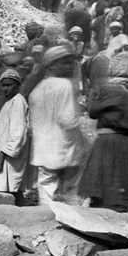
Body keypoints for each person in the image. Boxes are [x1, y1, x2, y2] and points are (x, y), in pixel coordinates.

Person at [79, 72, 128, 212]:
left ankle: (99, 207)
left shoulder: (104, 94)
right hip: (122, 142)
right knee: (119, 181)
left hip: (104, 141)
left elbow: (92, 112)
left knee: (102, 180)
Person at [28, 46, 87, 204]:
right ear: (51, 65)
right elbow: (68, 120)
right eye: (64, 63)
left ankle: (46, 220)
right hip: (65, 148)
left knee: (46, 191)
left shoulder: (37, 90)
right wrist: (83, 143)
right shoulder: (64, 85)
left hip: (43, 149)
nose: (69, 67)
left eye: (70, 63)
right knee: (71, 192)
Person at [0, 69, 28, 206]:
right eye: (3, 85)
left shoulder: (18, 102)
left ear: (17, 86)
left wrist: (2, 154)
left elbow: (18, 132)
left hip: (9, 157)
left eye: (9, 85)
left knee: (10, 190)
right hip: (5, 156)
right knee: (10, 190)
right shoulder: (9, 102)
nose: (5, 89)